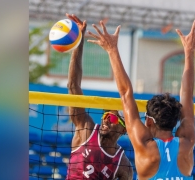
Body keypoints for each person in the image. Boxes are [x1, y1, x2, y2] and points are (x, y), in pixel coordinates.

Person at [87, 19, 195, 179]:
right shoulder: (187, 141)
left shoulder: (144, 146)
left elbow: (125, 93)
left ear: (149, 122)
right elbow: (187, 93)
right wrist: (190, 51)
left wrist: (112, 50)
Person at [65, 13, 133, 180]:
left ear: (124, 128)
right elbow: (73, 86)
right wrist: (79, 41)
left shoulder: (123, 164)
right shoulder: (86, 130)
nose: (106, 119)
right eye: (105, 115)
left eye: (112, 117)